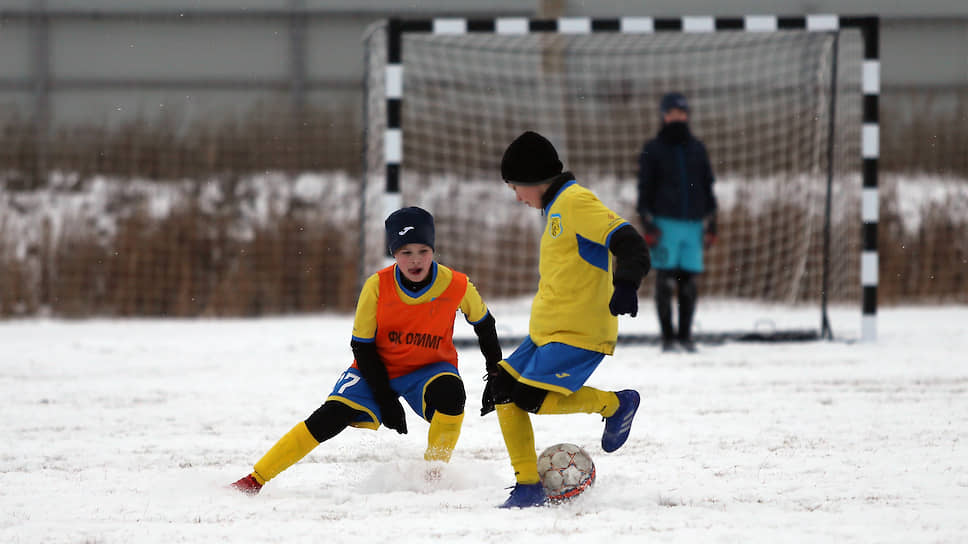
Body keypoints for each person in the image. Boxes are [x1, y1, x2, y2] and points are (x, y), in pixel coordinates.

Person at [231, 206, 503, 494]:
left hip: (429, 369)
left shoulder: (456, 284)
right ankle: (254, 479)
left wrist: (495, 372)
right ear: (393, 253)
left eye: (422, 250)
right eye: (405, 252)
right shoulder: (377, 286)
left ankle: (433, 475)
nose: (415, 260)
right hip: (375, 367)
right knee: (330, 416)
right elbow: (361, 346)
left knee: (452, 395)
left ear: (433, 249)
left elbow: (485, 324)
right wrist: (385, 397)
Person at [482, 131, 651, 508]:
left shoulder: (575, 202)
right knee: (503, 389)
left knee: (530, 398)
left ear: (531, 179)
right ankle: (527, 487)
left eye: (515, 188)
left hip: (580, 331)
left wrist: (626, 283)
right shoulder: (555, 207)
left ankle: (615, 405)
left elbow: (630, 241)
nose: (517, 197)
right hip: (548, 331)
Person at [636, 92, 718, 353]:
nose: (677, 117)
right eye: (672, 113)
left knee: (689, 283)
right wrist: (647, 222)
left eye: (682, 113)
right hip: (664, 224)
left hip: (693, 225)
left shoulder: (697, 149)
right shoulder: (654, 149)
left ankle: (685, 336)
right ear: (664, 115)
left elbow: (708, 186)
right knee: (665, 280)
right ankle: (668, 339)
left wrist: (712, 221)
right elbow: (644, 189)